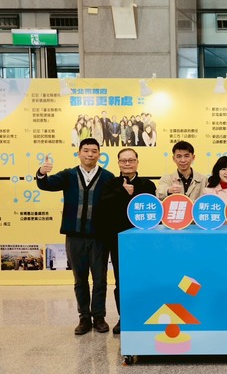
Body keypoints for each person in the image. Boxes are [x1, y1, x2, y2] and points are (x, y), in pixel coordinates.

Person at [36, 138, 115, 335]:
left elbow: (116, 202)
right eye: (86, 150)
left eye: (94, 151)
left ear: (99, 154)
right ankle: (84, 318)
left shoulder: (108, 177)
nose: (90, 154)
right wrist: (42, 173)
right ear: (79, 153)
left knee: (100, 279)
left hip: (100, 237)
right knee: (80, 279)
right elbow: (46, 185)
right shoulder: (68, 175)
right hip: (74, 236)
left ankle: (99, 317)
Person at [97, 148, 155, 335]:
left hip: (143, 242)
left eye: (131, 160)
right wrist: (122, 192)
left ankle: (144, 315)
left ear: (137, 162)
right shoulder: (110, 184)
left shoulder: (147, 184)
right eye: (124, 161)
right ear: (118, 163)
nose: (127, 164)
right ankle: (125, 317)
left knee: (144, 278)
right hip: (118, 241)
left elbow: (154, 211)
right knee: (121, 280)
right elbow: (103, 206)